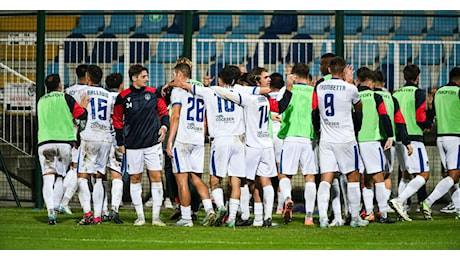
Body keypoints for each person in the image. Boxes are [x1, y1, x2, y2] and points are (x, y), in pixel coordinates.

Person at [169, 65, 267, 227]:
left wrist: (170, 84)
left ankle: (220, 206)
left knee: (214, 179)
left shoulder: (210, 91)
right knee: (236, 181)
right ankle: (232, 218)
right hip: (238, 140)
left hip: (220, 140)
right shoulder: (241, 91)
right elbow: (262, 91)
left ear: (220, 79)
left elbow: (184, 85)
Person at [211, 68, 293, 227]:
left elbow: (230, 95)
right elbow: (280, 107)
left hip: (251, 145)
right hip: (266, 144)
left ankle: (247, 215)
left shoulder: (247, 98)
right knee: (265, 181)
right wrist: (288, 89)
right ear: (257, 81)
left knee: (243, 182)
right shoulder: (266, 99)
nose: (268, 80)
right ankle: (265, 218)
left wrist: (213, 89)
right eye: (265, 77)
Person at [113, 64, 170, 226]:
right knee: (135, 178)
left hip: (153, 143)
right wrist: (120, 142)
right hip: (132, 145)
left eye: (146, 76)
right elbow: (117, 120)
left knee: (156, 177)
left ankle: (156, 217)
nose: (147, 79)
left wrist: (164, 127)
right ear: (134, 78)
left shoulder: (153, 93)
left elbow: (164, 112)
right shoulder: (122, 97)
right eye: (144, 76)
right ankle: (140, 217)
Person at [316, 56, 367, 228]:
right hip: (345, 138)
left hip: (326, 138)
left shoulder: (320, 86)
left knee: (326, 179)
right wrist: (350, 82)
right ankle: (354, 218)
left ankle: (323, 218)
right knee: (353, 177)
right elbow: (359, 107)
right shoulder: (350, 88)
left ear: (329, 70)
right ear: (345, 70)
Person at [166, 63, 217, 227]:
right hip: (197, 138)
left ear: (178, 74)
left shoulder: (178, 91)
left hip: (183, 139)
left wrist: (169, 141)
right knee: (196, 178)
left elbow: (175, 116)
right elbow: (206, 117)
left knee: (182, 180)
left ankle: (186, 218)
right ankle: (209, 209)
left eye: (174, 74)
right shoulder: (201, 88)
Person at [37, 74, 89, 225]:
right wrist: (84, 105)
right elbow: (82, 115)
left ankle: (50, 213)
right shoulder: (66, 98)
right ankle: (57, 206)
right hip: (64, 142)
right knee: (59, 176)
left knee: (47, 177)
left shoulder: (41, 100)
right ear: (60, 85)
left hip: (45, 142)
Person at [276, 63, 320, 226]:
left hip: (290, 137)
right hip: (308, 138)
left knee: (286, 174)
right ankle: (309, 217)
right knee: (309, 176)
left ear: (293, 75)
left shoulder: (286, 90)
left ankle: (287, 198)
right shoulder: (313, 92)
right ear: (308, 75)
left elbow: (279, 109)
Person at [390, 64, 434, 221]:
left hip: (400, 138)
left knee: (406, 175)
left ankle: (402, 211)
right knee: (424, 174)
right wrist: (428, 124)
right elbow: (420, 116)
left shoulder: (396, 94)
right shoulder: (419, 93)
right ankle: (400, 200)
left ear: (404, 76)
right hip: (414, 137)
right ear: (418, 77)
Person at [354, 67, 396, 224]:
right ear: (371, 82)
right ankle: (383, 214)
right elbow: (385, 117)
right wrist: (390, 135)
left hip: (355, 141)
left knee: (365, 179)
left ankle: (369, 212)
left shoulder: (354, 95)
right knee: (379, 177)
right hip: (371, 141)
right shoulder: (376, 96)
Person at [76, 65, 114, 225]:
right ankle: (98, 216)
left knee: (82, 177)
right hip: (105, 137)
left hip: (89, 136)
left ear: (88, 78)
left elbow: (78, 114)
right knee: (99, 176)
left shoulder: (82, 92)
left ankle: (87, 214)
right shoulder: (109, 95)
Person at [420, 67, 460, 220]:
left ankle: (458, 208)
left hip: (440, 138)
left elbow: (432, 113)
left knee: (452, 176)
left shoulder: (438, 93)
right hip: (455, 138)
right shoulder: (458, 92)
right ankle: (428, 202)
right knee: (453, 176)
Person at [373, 70, 413, 214]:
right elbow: (400, 122)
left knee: (370, 174)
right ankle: (383, 208)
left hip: (373, 139)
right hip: (390, 141)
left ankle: (368, 207)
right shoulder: (391, 98)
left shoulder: (371, 96)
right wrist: (407, 141)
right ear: (383, 84)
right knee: (387, 175)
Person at [58, 64, 89, 214]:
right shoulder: (87, 92)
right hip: (80, 135)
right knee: (77, 170)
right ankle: (63, 202)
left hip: (65, 132)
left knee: (71, 169)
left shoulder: (67, 91)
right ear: (87, 76)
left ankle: (61, 201)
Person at [105, 73, 125, 224]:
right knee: (117, 175)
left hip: (101, 139)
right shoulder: (123, 98)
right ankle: (115, 209)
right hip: (118, 140)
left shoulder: (102, 96)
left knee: (100, 175)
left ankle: (103, 210)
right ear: (121, 85)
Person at [268, 72, 284, 215]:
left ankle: (264, 203)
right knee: (281, 172)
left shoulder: (263, 95)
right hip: (280, 136)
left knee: (263, 172)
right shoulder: (285, 95)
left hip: (266, 135)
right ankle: (280, 207)